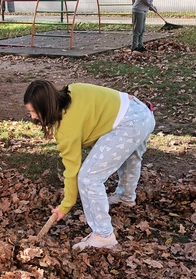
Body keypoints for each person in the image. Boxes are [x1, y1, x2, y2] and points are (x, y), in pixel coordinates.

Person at [24, 80, 155, 250]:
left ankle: (103, 235)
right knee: (131, 158)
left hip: (129, 126)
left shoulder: (66, 130)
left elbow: (72, 171)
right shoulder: (73, 89)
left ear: (46, 107)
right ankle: (125, 197)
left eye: (34, 112)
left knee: (89, 177)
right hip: (142, 112)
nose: (33, 117)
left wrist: (65, 206)